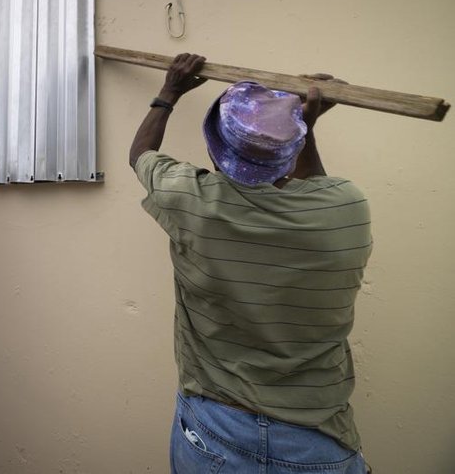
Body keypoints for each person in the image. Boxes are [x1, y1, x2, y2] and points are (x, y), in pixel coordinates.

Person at [130, 54, 372, 473]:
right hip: (317, 443)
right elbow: (316, 189)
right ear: (291, 151)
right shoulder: (347, 208)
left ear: (219, 147)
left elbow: (141, 154)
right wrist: (303, 126)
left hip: (214, 431)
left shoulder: (193, 199)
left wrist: (170, 90)